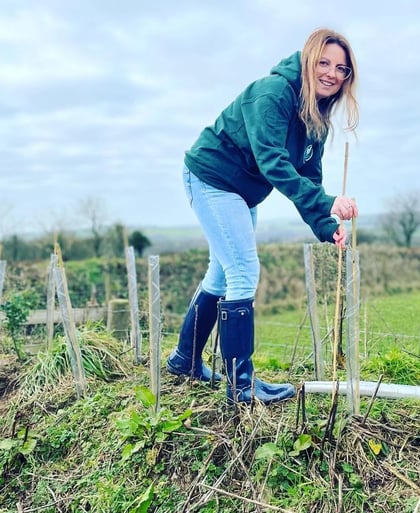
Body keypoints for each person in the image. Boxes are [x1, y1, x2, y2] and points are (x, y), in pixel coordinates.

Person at [166, 28, 360, 405]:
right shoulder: (273, 94)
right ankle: (242, 387)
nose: (332, 73)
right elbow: (274, 162)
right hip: (213, 177)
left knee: (222, 273)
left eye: (342, 69)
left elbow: (307, 177)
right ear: (307, 60)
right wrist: (328, 201)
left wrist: (326, 224)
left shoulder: (315, 116)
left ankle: (184, 360)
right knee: (243, 271)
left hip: (241, 190)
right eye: (324, 62)